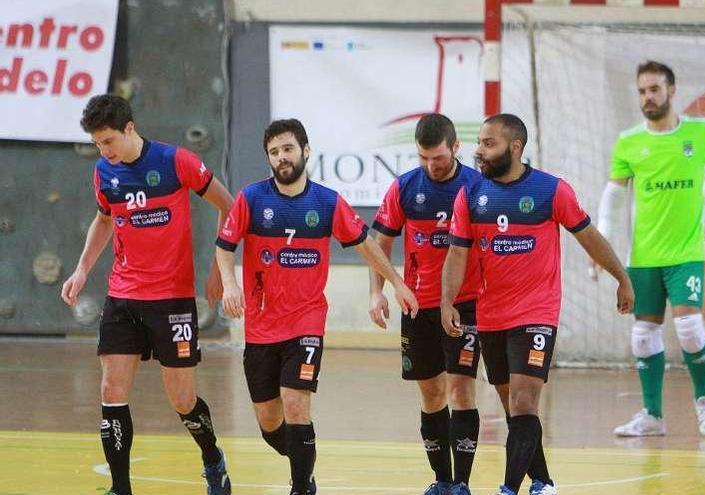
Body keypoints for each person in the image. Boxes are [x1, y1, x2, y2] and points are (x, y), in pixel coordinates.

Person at [215, 118, 419, 495]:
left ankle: (301, 487)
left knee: (296, 404)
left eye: (288, 149)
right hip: (262, 326)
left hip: (307, 321)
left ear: (305, 151)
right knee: (270, 423)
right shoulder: (251, 199)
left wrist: (396, 282)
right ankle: (301, 462)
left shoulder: (326, 202)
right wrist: (230, 284)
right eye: (274, 152)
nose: (281, 157)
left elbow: (366, 245)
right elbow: (225, 246)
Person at [441, 113, 634, 495]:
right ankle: (543, 482)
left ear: (515, 148)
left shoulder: (551, 191)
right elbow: (457, 254)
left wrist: (622, 278)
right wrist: (447, 301)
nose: (479, 151)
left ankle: (509, 488)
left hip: (537, 312)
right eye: (479, 142)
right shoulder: (471, 196)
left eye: (488, 143)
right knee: (513, 408)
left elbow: (589, 237)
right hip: (491, 315)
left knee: (524, 399)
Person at [60, 94, 235, 495]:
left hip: (172, 299)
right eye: (97, 144)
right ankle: (121, 488)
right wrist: (82, 268)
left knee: (182, 399)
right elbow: (104, 220)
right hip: (123, 295)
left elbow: (230, 207)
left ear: (130, 129)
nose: (104, 151)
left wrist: (217, 270)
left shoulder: (177, 162)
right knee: (111, 390)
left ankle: (212, 460)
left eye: (108, 141)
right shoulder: (105, 172)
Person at [595, 61, 705, 438]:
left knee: (688, 326)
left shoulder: (701, 133)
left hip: (687, 253)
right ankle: (652, 415)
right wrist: (601, 243)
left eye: (654, 89)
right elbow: (613, 197)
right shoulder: (629, 141)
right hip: (644, 257)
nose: (648, 97)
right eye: (642, 91)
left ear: (671, 90)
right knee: (642, 335)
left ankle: (704, 400)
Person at [368, 113, 482, 495]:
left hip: (465, 304)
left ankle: (462, 483)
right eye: (423, 158)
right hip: (417, 306)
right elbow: (378, 243)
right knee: (431, 394)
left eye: (438, 158)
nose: (431, 166)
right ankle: (442, 481)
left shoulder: (476, 185)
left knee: (461, 391)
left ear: (455, 148)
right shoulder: (404, 188)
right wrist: (379, 290)